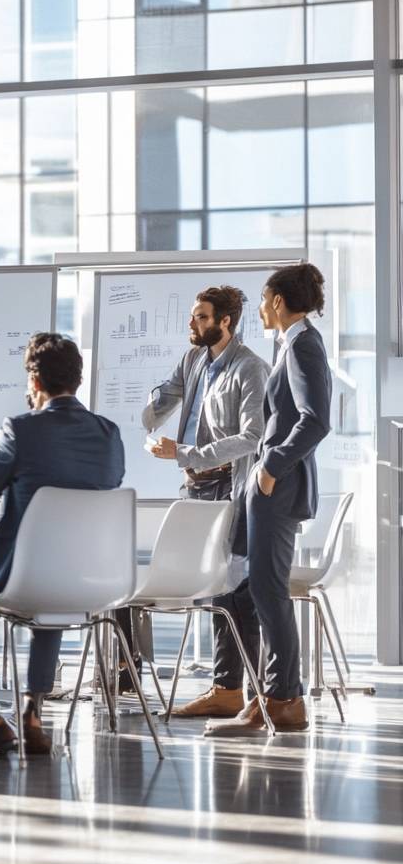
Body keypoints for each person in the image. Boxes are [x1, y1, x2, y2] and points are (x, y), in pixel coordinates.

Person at [0, 333, 124, 756]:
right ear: (78, 379)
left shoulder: (20, 429)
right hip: (86, 578)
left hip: (19, 575)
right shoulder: (109, 433)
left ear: (34, 382)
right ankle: (32, 710)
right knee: (50, 586)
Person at [207, 263, 331, 737]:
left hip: (277, 488)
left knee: (268, 593)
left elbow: (316, 420)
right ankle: (273, 696)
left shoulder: (302, 344)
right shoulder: (292, 344)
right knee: (257, 592)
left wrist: (270, 467)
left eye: (262, 300)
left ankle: (283, 699)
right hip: (271, 488)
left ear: (278, 301)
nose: (258, 310)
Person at [136, 285, 270, 718]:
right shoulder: (194, 359)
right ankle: (225, 688)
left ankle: (244, 690)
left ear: (225, 321)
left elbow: (251, 438)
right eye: (194, 316)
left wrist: (184, 453)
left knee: (234, 590)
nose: (192, 324)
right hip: (194, 487)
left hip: (227, 487)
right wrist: (153, 407)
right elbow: (164, 401)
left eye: (201, 317)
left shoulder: (250, 368)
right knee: (214, 591)